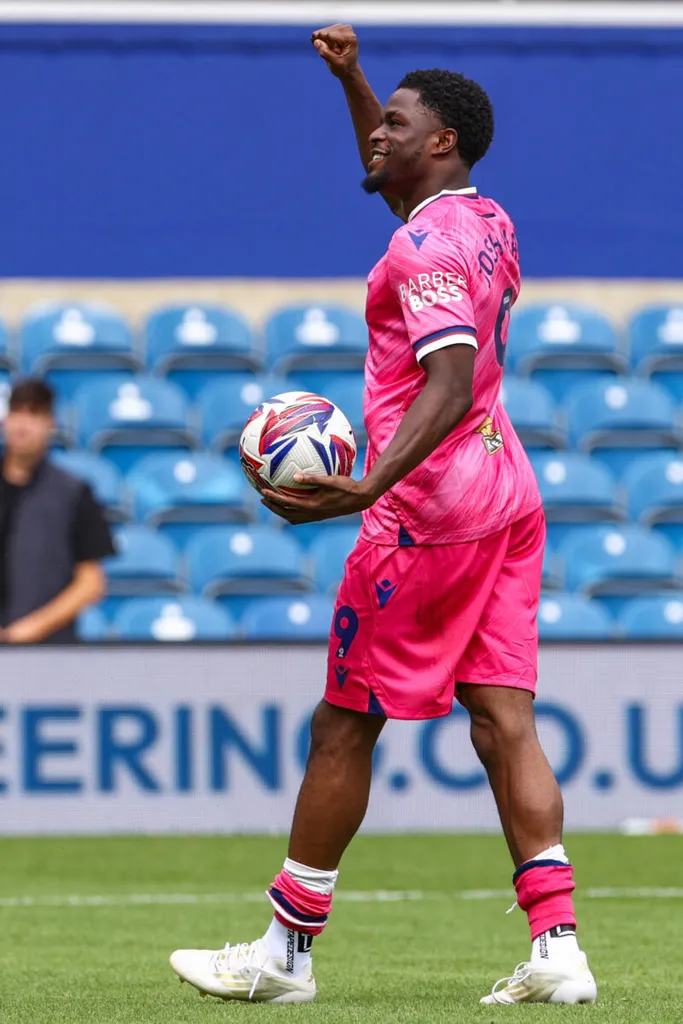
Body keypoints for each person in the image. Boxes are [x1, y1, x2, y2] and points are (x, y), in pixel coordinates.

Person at [170, 24, 597, 1007]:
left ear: (438, 140)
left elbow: (445, 381)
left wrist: (364, 487)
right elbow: (392, 180)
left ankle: (284, 952)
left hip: (427, 513)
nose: (376, 135)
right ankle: (557, 947)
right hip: (505, 492)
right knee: (501, 719)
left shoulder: (424, 249)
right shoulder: (482, 217)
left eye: (395, 124)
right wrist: (356, 82)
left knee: (341, 727)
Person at [0, 378, 114, 643]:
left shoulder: (72, 492)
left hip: (48, 652)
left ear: (51, 423)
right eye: (17, 411)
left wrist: (30, 629)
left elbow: (91, 583)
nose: (23, 424)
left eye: (35, 413)